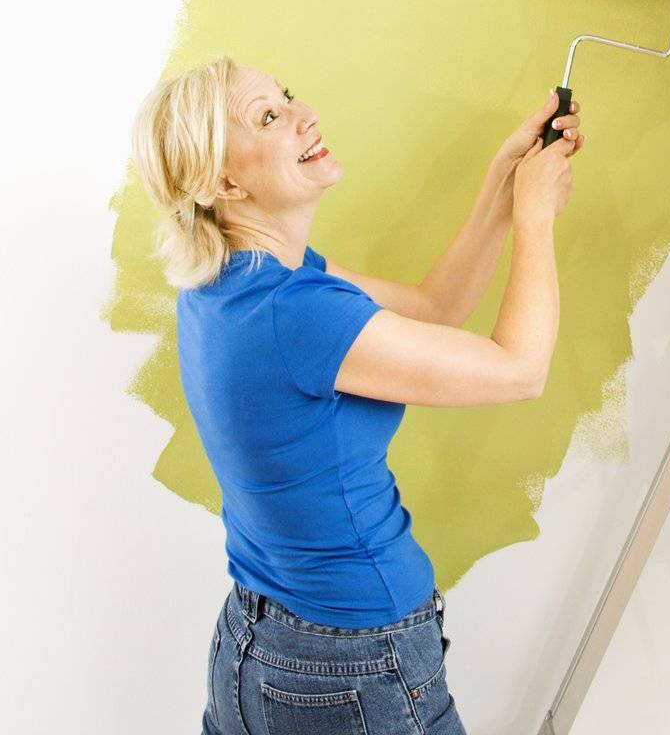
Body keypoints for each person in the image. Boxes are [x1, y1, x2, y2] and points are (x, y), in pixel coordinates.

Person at [131, 57, 584, 733]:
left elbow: (431, 309)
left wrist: (502, 184)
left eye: (283, 98)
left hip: (261, 651)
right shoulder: (295, 314)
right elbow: (521, 371)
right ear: (225, 180)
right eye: (268, 117)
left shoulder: (233, 281)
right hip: (348, 669)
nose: (303, 113)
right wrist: (537, 217)